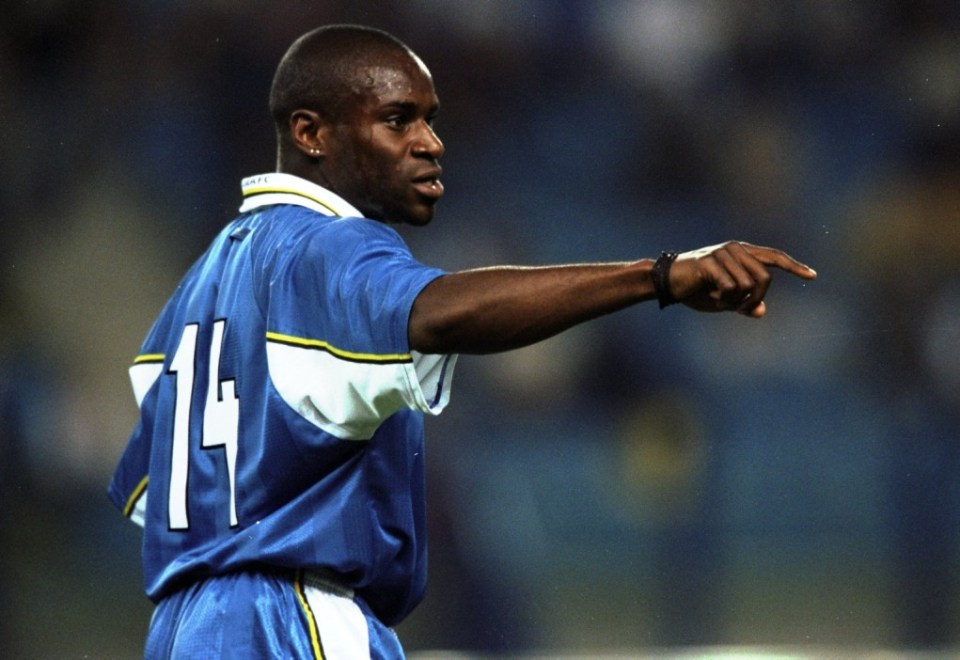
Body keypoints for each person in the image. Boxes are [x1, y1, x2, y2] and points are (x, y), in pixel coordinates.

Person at [108, 24, 816, 659]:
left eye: (429, 119)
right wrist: (658, 276)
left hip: (180, 630)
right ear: (311, 133)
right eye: (397, 120)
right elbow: (436, 314)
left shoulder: (200, 286)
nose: (430, 142)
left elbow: (149, 489)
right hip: (292, 619)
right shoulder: (328, 246)